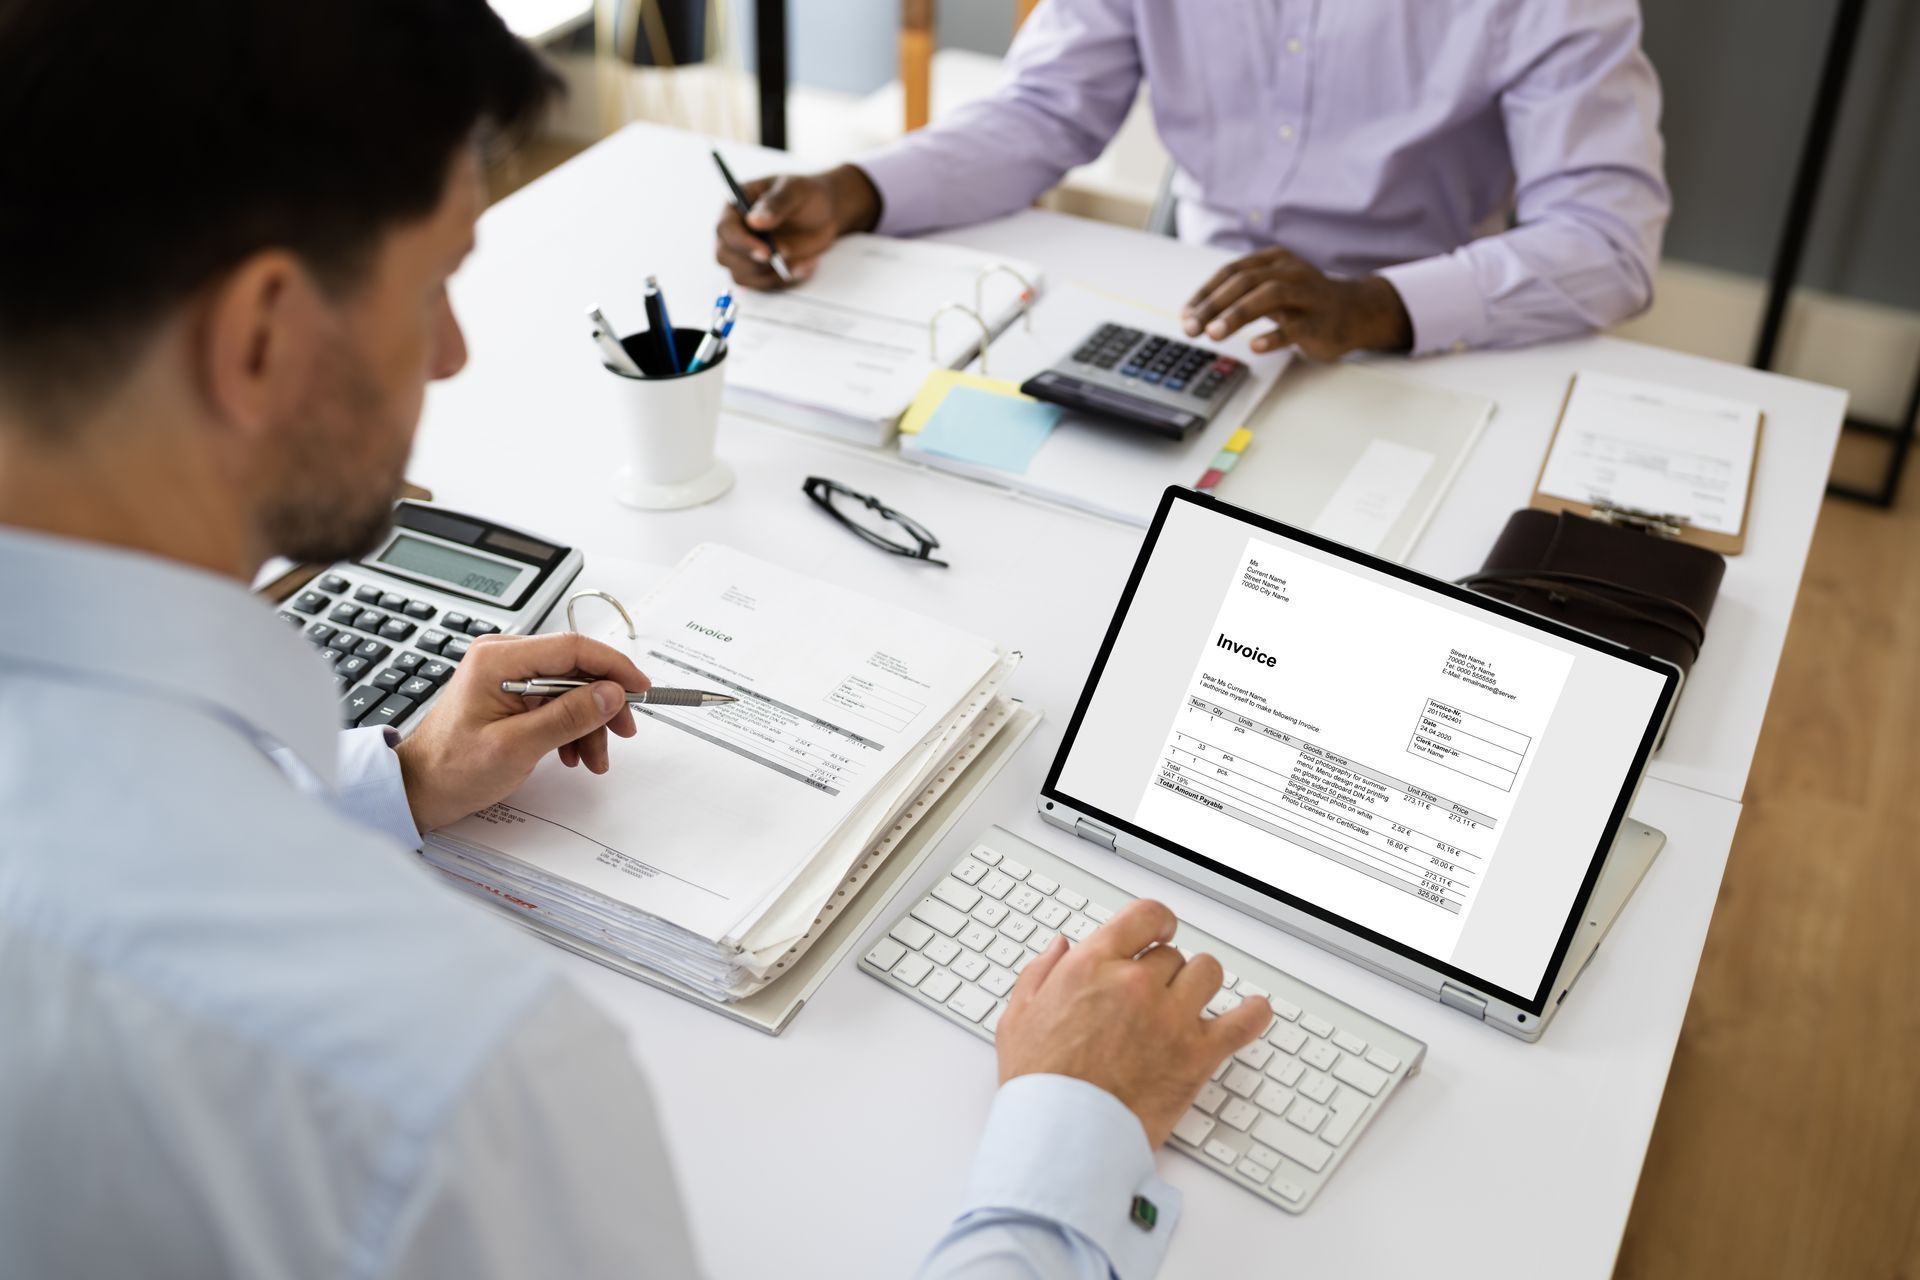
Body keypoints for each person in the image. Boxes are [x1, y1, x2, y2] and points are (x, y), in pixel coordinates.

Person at [0, 2, 1270, 1277]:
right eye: (437, 279)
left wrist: (388, 779)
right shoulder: (431, 1076)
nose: (451, 354)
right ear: (263, 336)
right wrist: (1074, 1132)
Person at [715, 0, 1669, 361]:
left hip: (1418, 326)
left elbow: (1607, 241)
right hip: (1192, 305)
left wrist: (1370, 307)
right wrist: (854, 191)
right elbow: (1044, 112)